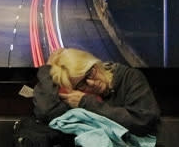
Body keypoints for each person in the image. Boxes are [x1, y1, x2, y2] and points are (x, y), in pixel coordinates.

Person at [33, 47, 161, 137]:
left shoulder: (130, 77)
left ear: (93, 64)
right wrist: (46, 71)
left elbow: (143, 121)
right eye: (82, 83)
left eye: (89, 73)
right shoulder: (75, 98)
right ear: (75, 89)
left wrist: (87, 103)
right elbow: (46, 112)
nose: (92, 83)